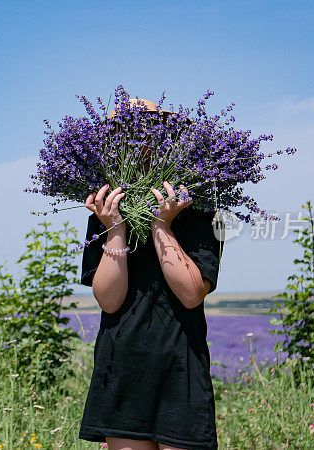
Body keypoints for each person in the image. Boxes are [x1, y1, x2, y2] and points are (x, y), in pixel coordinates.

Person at [77, 99, 223, 450]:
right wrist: (115, 228)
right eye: (123, 136)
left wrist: (162, 224)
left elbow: (191, 293)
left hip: (181, 370)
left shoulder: (203, 214)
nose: (137, 143)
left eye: (145, 133)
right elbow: (110, 301)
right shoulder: (104, 213)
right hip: (122, 369)